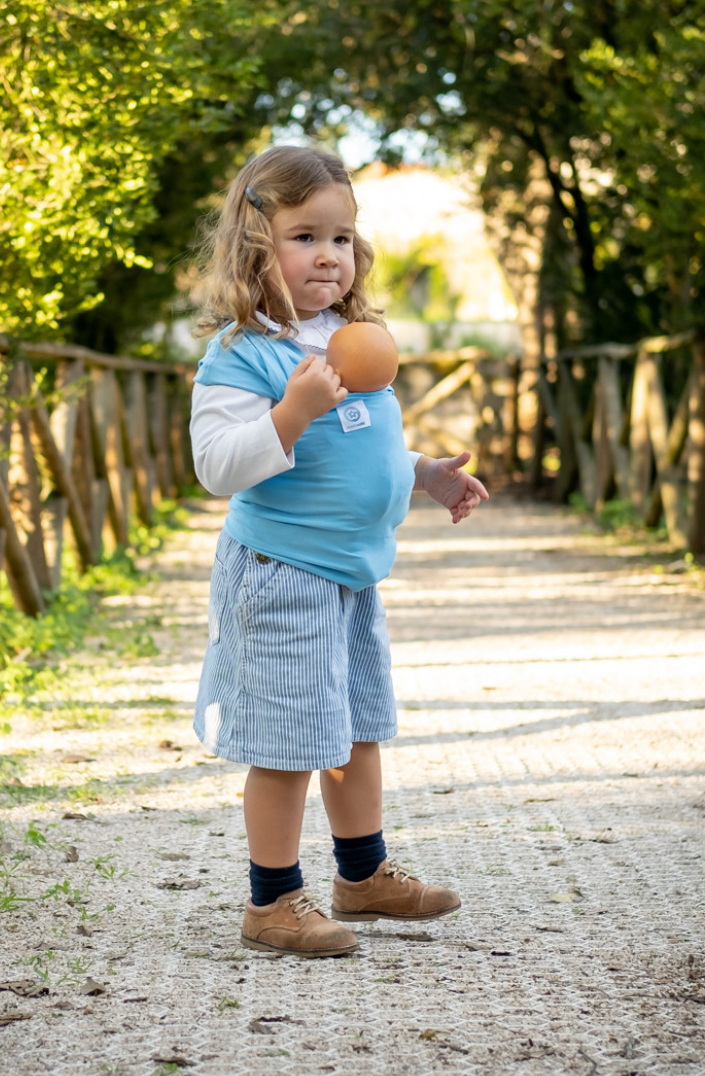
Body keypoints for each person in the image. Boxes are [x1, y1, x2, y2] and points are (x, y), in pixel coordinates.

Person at [189, 145, 488, 958]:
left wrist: (423, 473)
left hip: (352, 578)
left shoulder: (353, 338)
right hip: (280, 573)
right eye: (304, 235)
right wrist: (289, 411)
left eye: (342, 237)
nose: (328, 254)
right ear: (256, 246)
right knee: (288, 743)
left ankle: (360, 876)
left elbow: (366, 442)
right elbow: (217, 466)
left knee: (355, 728)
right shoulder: (241, 352)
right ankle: (271, 900)